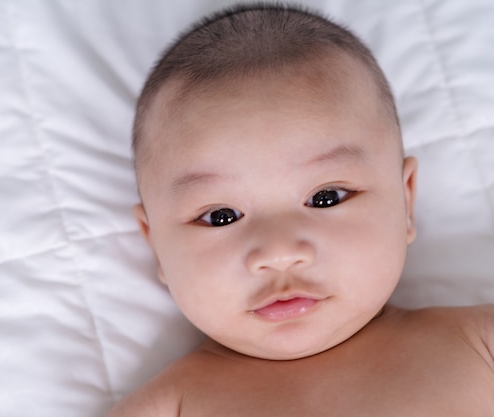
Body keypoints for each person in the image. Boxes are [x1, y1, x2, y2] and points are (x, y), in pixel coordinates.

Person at [108, 3, 494, 415]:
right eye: (221, 216)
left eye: (325, 197)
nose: (278, 252)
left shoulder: (478, 343)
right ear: (156, 245)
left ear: (406, 202)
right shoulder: (167, 405)